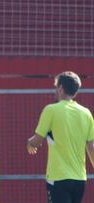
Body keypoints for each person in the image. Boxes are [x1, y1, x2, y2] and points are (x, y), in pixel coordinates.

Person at [27, 71, 94, 203]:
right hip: (80, 180)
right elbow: (91, 147)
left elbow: (37, 140)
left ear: (61, 88)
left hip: (58, 178)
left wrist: (29, 142)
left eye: (56, 86)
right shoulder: (86, 113)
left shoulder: (51, 110)